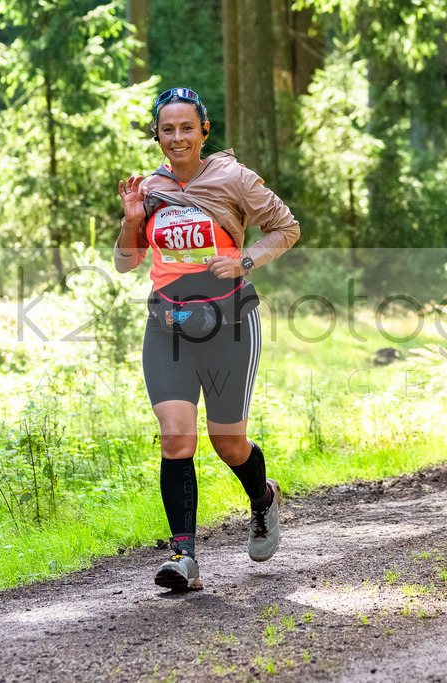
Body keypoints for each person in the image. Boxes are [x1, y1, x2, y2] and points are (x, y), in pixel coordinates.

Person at [113, 87, 299, 591]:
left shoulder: (233, 177)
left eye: (187, 128)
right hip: (168, 325)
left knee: (228, 442)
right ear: (157, 135)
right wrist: (131, 220)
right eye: (167, 129)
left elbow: (285, 229)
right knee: (176, 437)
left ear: (204, 131)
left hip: (230, 324)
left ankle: (263, 498)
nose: (177, 137)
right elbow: (127, 262)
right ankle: (184, 558)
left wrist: (244, 260)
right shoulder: (149, 188)